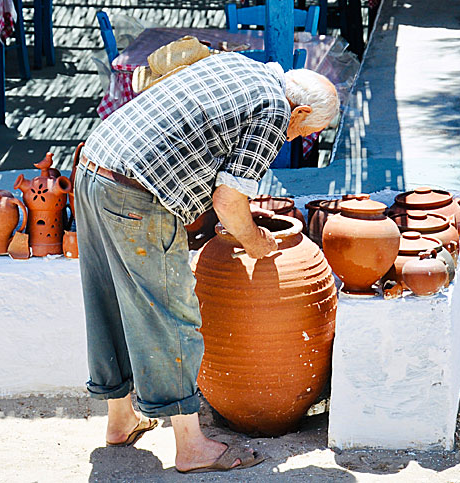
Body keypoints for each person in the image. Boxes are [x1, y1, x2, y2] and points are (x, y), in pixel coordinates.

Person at [74, 52, 339, 474]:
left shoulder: (242, 65)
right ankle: (191, 446)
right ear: (301, 110)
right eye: (305, 131)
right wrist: (254, 242)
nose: (294, 140)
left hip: (94, 166)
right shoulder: (274, 111)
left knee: (109, 299)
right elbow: (229, 201)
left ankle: (121, 419)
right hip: (135, 191)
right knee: (171, 313)